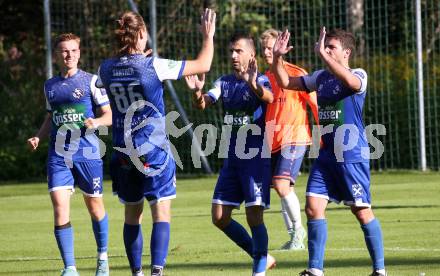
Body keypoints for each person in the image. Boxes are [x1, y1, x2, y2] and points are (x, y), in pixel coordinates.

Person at [97, 9, 216, 276]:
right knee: (160, 212)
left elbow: (108, 79)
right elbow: (203, 63)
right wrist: (208, 36)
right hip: (152, 150)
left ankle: (136, 272)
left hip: (122, 150)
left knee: (131, 215)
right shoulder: (155, 65)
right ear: (140, 34)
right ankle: (157, 271)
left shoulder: (104, 68)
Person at [272, 27, 386, 276]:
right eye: (325, 47)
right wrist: (277, 58)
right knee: (312, 207)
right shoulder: (320, 77)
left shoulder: (358, 74)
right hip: (326, 157)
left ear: (346, 52)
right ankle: (315, 270)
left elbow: (350, 82)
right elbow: (285, 82)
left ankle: (380, 270)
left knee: (361, 210)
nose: (326, 50)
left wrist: (325, 58)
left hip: (351, 156)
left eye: (331, 47)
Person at [185, 33, 275, 276]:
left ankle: (259, 270)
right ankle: (261, 256)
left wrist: (252, 82)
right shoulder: (223, 82)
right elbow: (204, 102)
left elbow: (269, 97)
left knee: (254, 216)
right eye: (231, 51)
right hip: (232, 159)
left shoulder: (262, 79)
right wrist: (197, 93)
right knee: (219, 216)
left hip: (256, 159)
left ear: (251, 55)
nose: (233, 55)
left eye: (238, 51)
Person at [27, 33, 112, 276]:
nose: (69, 55)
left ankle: (103, 258)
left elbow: (110, 115)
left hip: (87, 153)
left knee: (95, 207)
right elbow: (50, 117)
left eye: (73, 50)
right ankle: (70, 268)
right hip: (58, 155)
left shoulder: (91, 81)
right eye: (64, 51)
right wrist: (38, 137)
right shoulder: (50, 86)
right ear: (57, 55)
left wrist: (95, 122)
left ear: (79, 52)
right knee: (59, 207)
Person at [260, 28, 319, 250]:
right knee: (281, 187)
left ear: (281, 48)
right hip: (273, 141)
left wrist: (323, 138)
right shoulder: (265, 77)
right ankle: (294, 237)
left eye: (271, 47)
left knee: (281, 185)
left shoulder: (296, 73)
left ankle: (298, 231)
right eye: (264, 47)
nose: (267, 51)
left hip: (295, 137)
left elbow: (315, 105)